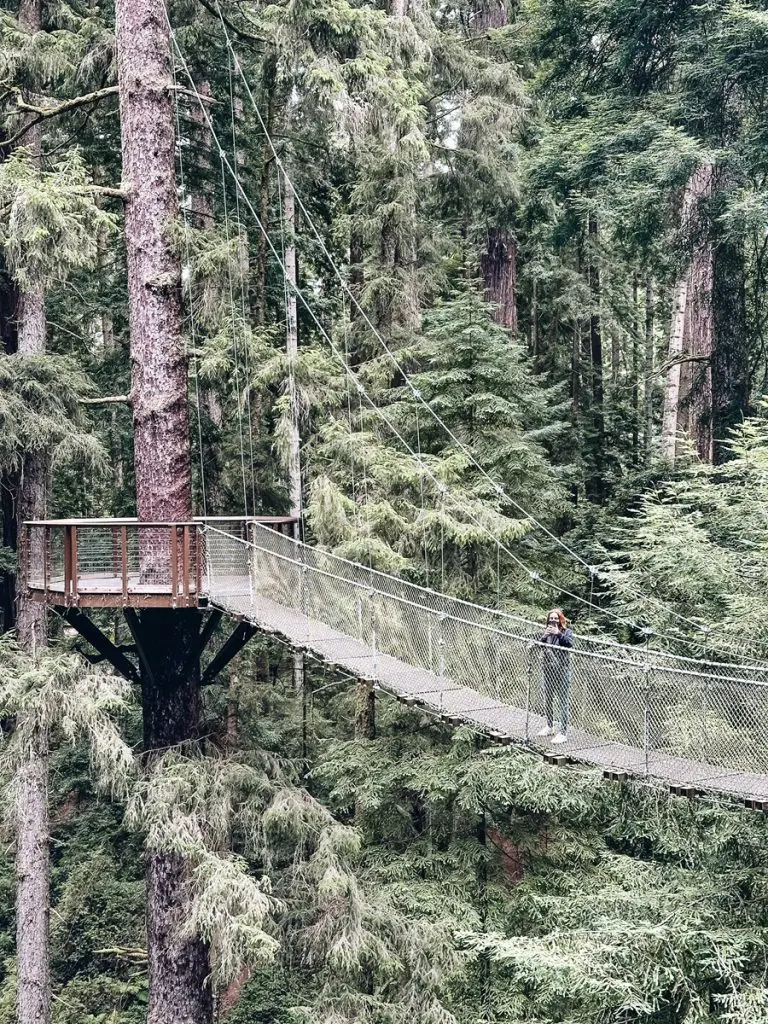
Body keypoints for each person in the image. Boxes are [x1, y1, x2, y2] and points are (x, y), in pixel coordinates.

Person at [536, 608, 573, 744]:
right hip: (548, 671)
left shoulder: (567, 632)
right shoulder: (546, 633)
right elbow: (540, 645)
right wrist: (544, 637)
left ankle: (563, 733)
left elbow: (569, 644)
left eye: (555, 618)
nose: (553, 621)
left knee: (563, 702)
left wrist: (558, 634)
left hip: (562, 671)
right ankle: (549, 726)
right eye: (551, 618)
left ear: (560, 619)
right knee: (548, 699)